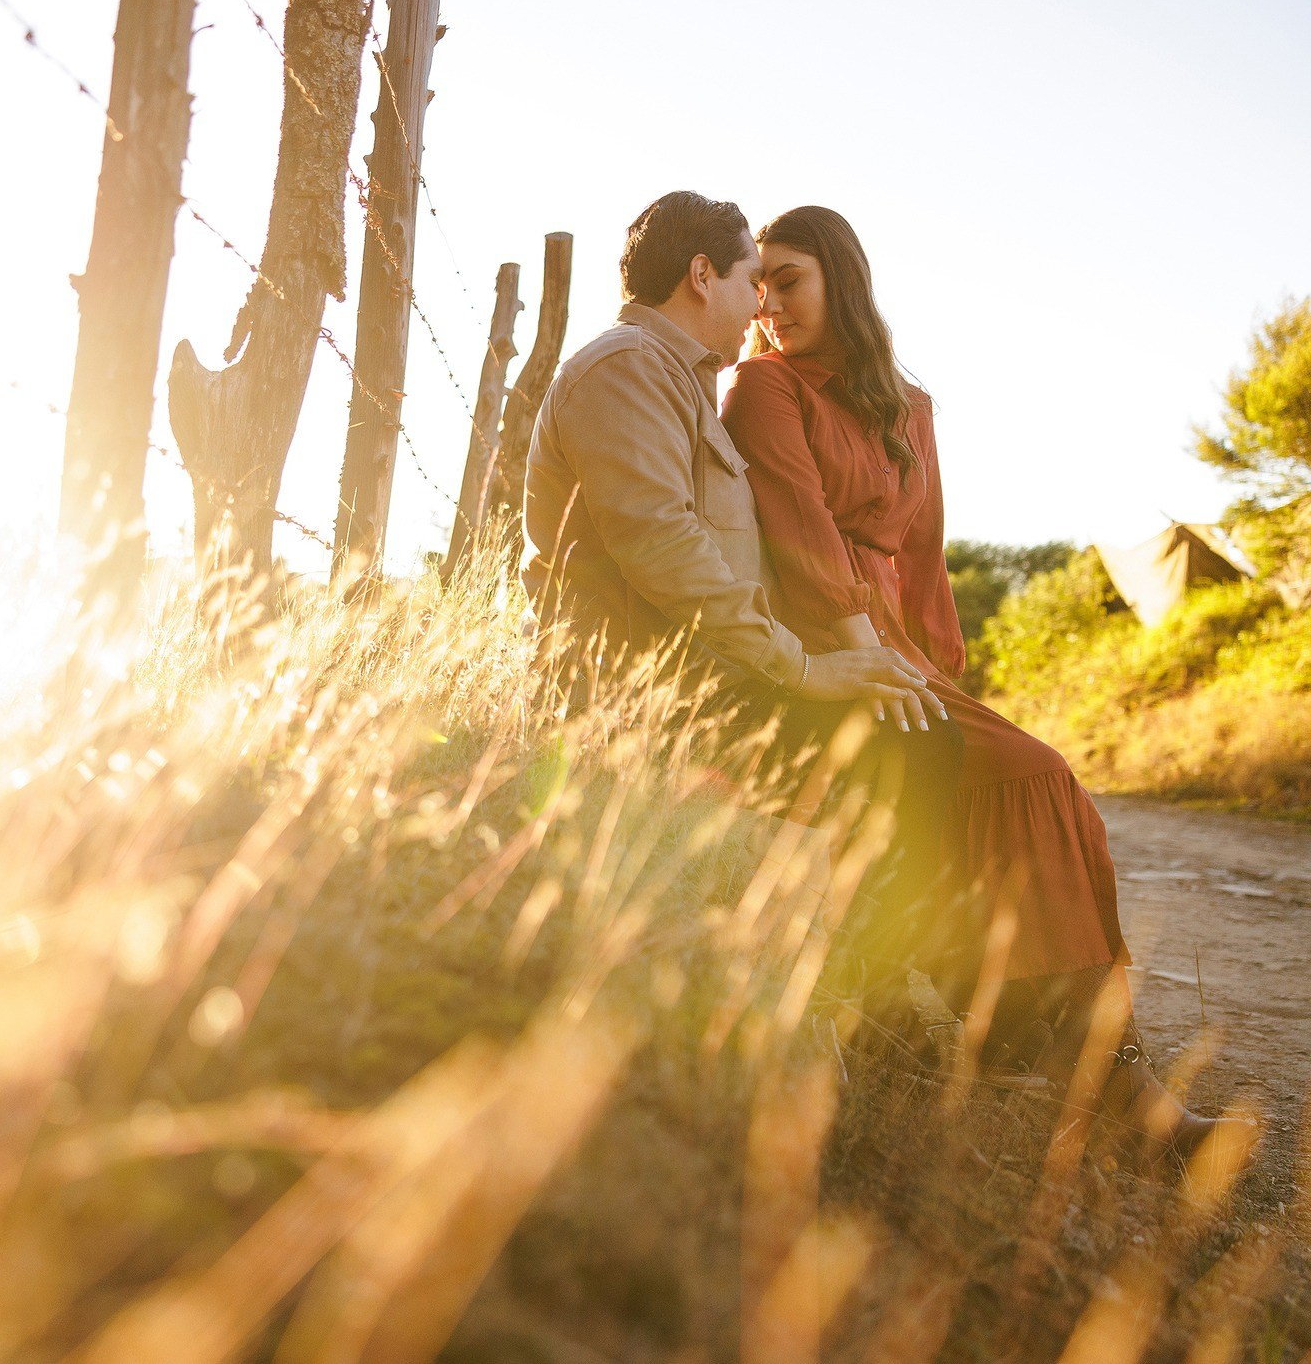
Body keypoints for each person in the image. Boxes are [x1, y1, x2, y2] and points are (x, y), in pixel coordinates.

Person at [722, 203, 1248, 1159]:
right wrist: (872, 660)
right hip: (822, 636)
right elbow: (797, 529)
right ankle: (1106, 1085)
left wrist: (941, 677)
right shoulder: (761, 387)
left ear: (841, 276)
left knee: (1038, 786)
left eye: (787, 277)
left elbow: (924, 556)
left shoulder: (907, 407)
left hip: (899, 650)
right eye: (756, 283)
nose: (769, 301)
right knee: (1036, 780)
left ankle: (1036, 1048)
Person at [521, 190, 962, 943]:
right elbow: (666, 552)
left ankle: (858, 979)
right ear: (702, 276)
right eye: (752, 279)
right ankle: (851, 991)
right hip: (644, 691)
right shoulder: (627, 369)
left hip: (707, 675)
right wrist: (802, 670)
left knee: (918, 736)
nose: (763, 303)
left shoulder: (680, 379)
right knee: (908, 750)